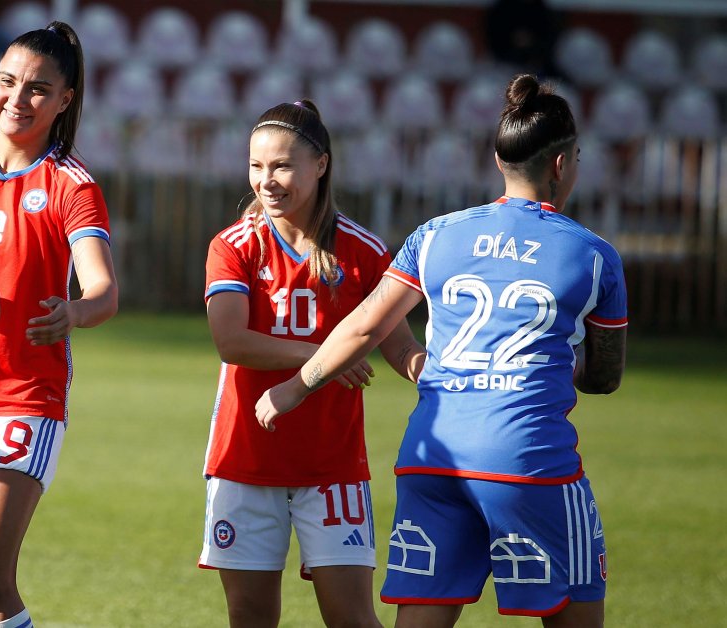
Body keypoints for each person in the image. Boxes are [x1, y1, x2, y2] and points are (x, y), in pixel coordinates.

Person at [256, 75, 627, 628]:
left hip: (432, 461)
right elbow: (603, 376)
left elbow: (365, 326)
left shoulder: (435, 235)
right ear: (561, 165)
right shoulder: (593, 255)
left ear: (500, 162)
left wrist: (293, 388)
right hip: (530, 463)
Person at [200, 100, 426, 628]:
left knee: (351, 617)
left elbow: (399, 348)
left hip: (333, 466)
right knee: (251, 618)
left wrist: (445, 374)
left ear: (320, 164)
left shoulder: (363, 251)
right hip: (246, 461)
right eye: (256, 166)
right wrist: (327, 357)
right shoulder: (233, 246)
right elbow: (230, 340)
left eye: (281, 166)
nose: (267, 180)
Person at [0, 21, 118, 628]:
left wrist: (75, 312)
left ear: (65, 100)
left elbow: (103, 290)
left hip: (22, 397)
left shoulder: (70, 183)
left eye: (38, 88)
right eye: (7, 81)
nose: (17, 98)